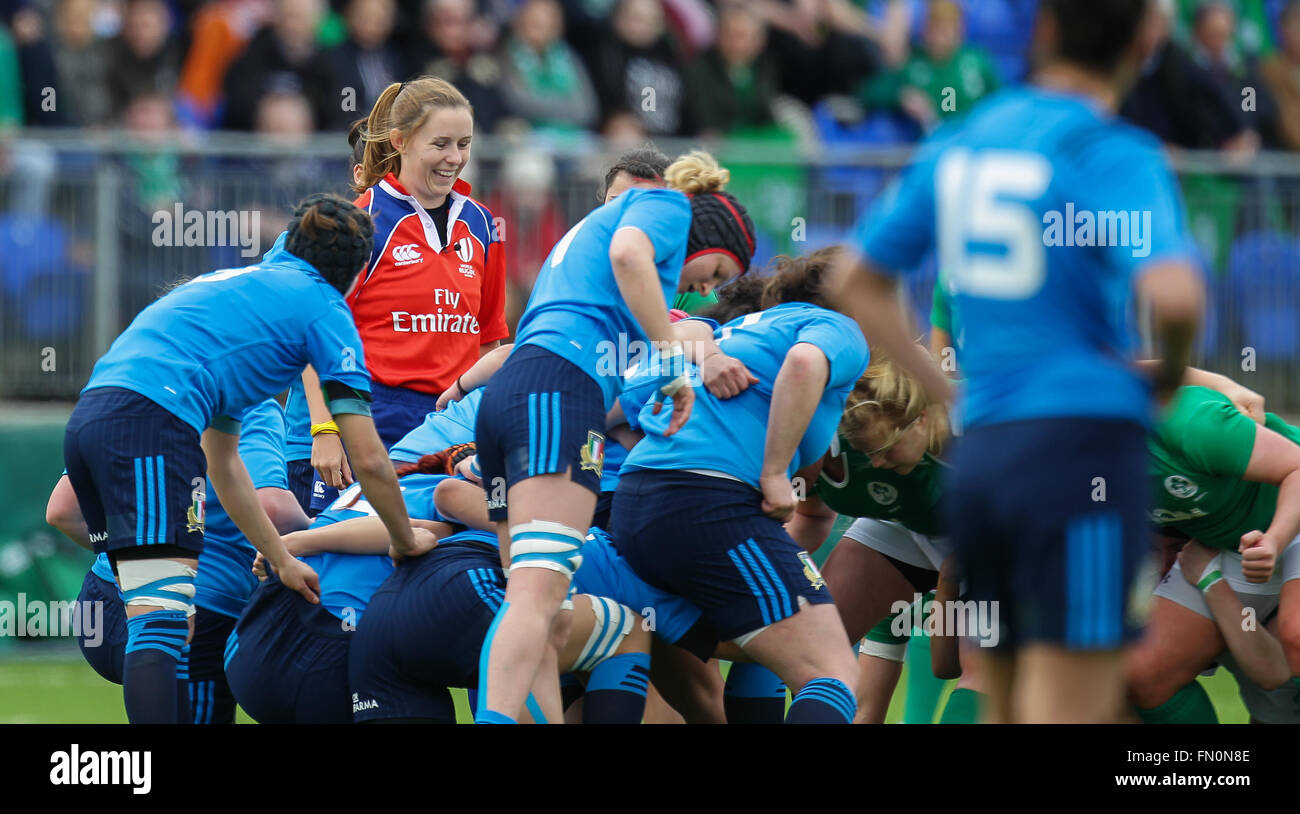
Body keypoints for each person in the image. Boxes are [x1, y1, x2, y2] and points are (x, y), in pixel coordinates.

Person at [832, 0, 1205, 723]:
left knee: (997, 692)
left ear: (1044, 29)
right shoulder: (1112, 149)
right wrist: (1164, 377)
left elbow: (858, 278)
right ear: (1150, 40)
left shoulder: (966, 139)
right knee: (1075, 703)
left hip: (988, 454)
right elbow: (1178, 294)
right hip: (1083, 450)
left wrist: (943, 391)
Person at [62, 193, 422, 723]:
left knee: (163, 618)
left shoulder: (241, 289)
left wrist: (278, 558)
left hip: (92, 418)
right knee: (161, 624)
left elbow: (224, 463)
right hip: (153, 424)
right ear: (356, 271)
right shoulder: (324, 305)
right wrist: (403, 538)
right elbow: (367, 458)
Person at [473, 150, 755, 723]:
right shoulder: (669, 205)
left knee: (542, 613)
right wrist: (675, 362)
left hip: (517, 391)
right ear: (710, 231)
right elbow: (631, 256)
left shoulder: (601, 221)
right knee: (535, 600)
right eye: (718, 272)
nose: (706, 287)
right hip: (559, 392)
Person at [613, 253, 870, 724]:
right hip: (706, 503)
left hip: (636, 501)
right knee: (832, 672)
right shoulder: (839, 328)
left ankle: (658, 614)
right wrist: (775, 473)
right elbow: (804, 363)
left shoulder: (750, 326)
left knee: (780, 643)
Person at [301, 76, 508, 513]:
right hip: (370, 416)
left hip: (449, 422)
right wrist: (325, 429)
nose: (455, 158)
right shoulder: (362, 220)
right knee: (342, 554)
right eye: (441, 144)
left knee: (433, 549)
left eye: (464, 144)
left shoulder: (484, 224)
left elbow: (489, 338)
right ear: (400, 141)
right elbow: (312, 332)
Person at [1127, 385, 1300, 723]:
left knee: (1296, 636)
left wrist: (1275, 541)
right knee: (1142, 676)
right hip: (1223, 546)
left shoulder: (1188, 421)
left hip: (1289, 512)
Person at [226, 468, 449, 723]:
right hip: (336, 647)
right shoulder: (452, 493)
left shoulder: (366, 486)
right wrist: (291, 546)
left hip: (257, 637)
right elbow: (410, 531)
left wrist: (290, 546)